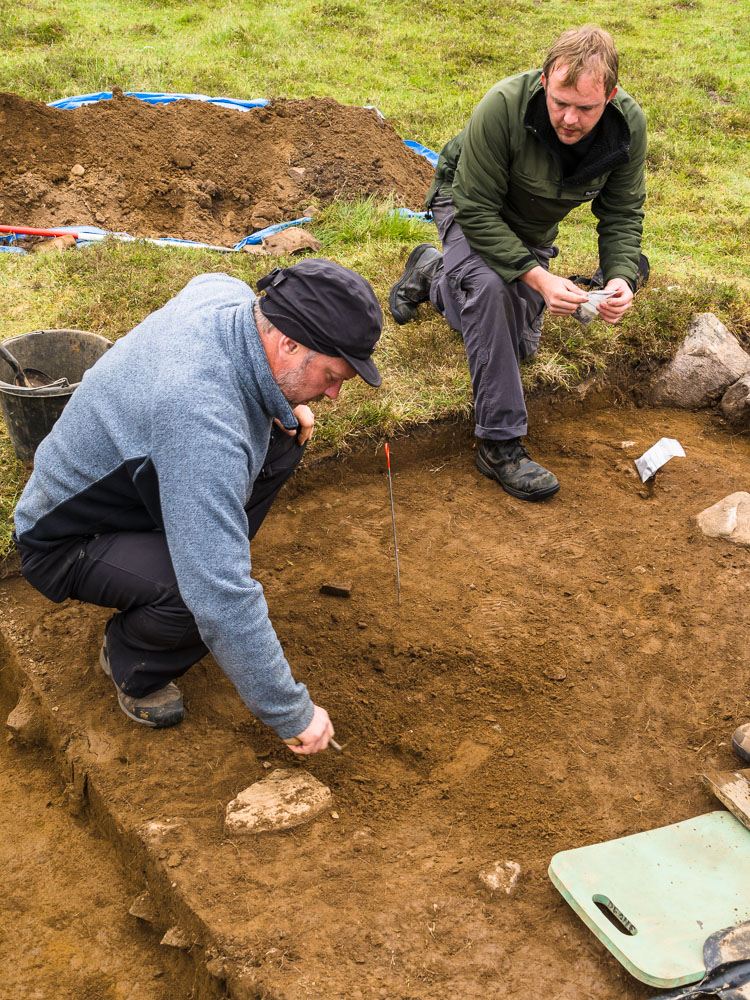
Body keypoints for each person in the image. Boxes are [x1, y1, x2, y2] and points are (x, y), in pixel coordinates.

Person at [13, 259, 383, 755]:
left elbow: (209, 282)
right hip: (64, 537)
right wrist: (289, 710)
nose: (335, 393)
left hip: (134, 485)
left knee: (285, 437)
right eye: (332, 375)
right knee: (200, 592)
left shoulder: (230, 303)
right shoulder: (202, 421)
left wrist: (282, 398)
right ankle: (129, 659)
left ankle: (195, 546)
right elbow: (219, 595)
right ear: (288, 343)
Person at [389, 25, 648, 501]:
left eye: (586, 108)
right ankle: (499, 444)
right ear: (547, 80)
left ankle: (432, 273)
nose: (569, 119)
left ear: (609, 96)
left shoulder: (627, 128)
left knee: (513, 345)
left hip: (530, 229)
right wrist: (538, 277)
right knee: (491, 291)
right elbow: (477, 210)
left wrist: (620, 276)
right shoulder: (503, 105)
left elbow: (622, 213)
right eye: (560, 102)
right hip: (468, 204)